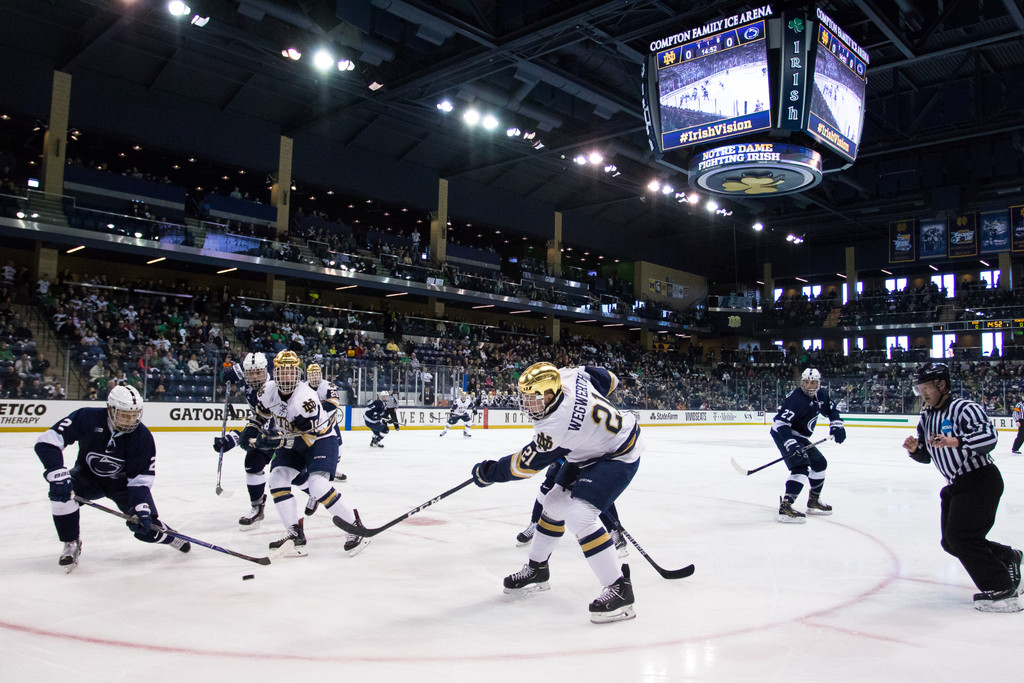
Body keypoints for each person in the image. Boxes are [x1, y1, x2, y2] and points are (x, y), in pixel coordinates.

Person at [471, 362, 642, 624]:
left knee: (580, 515)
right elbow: (610, 379)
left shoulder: (556, 425)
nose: (526, 404)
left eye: (531, 398)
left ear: (550, 395)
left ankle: (620, 589)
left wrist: (489, 473)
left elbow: (522, 466)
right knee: (552, 504)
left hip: (619, 453)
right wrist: (592, 423)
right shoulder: (566, 375)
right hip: (591, 451)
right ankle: (537, 569)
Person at [902, 362, 1022, 612]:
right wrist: (916, 451)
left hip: (981, 479)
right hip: (957, 484)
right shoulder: (927, 417)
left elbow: (990, 437)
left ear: (941, 384)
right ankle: (1007, 557)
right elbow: (929, 455)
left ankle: (1001, 588)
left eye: (926, 387)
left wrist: (956, 441)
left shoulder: (964, 408)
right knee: (951, 542)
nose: (922, 393)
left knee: (961, 537)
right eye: (919, 388)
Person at [34, 385, 190, 572]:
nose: (131, 420)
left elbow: (140, 480)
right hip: (87, 477)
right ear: (111, 409)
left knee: (147, 529)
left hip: (123, 487)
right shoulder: (86, 417)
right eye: (125, 414)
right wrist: (56, 473)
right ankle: (71, 542)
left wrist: (141, 507)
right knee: (61, 495)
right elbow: (47, 442)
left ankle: (172, 537)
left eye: (134, 414)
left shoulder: (142, 437)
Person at [255, 350, 367, 556]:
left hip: (320, 440)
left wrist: (278, 440)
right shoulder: (266, 391)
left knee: (318, 485)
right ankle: (293, 532)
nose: (287, 377)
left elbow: (308, 439)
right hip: (292, 440)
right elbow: (259, 417)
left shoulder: (306, 398)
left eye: (291, 372)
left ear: (297, 374)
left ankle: (354, 525)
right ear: (275, 373)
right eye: (282, 372)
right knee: (277, 478)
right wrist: (248, 433)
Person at [770, 368, 846, 523]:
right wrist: (791, 444)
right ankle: (786, 506)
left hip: (801, 436)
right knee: (800, 466)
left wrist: (837, 425)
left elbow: (832, 411)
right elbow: (780, 423)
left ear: (818, 383)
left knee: (819, 463)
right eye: (806, 382)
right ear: (801, 382)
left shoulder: (821, 395)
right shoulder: (796, 399)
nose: (810, 386)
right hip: (784, 434)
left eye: (813, 382)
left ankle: (813, 501)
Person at [214, 352, 280, 528]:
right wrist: (232, 439)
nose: (254, 377)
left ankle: (320, 496)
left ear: (266, 370)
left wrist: (238, 438)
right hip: (264, 432)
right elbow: (257, 423)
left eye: (258, 372)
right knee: (252, 464)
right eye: (249, 373)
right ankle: (257, 507)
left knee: (296, 476)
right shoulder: (251, 384)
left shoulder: (276, 385)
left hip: (285, 434)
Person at [306, 361, 347, 487]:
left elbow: (334, 403)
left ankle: (332, 468)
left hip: (329, 423)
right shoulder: (303, 387)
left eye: (317, 374)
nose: (314, 377)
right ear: (308, 376)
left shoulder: (328, 386)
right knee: (308, 446)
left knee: (338, 447)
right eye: (312, 374)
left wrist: (315, 408)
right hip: (310, 423)